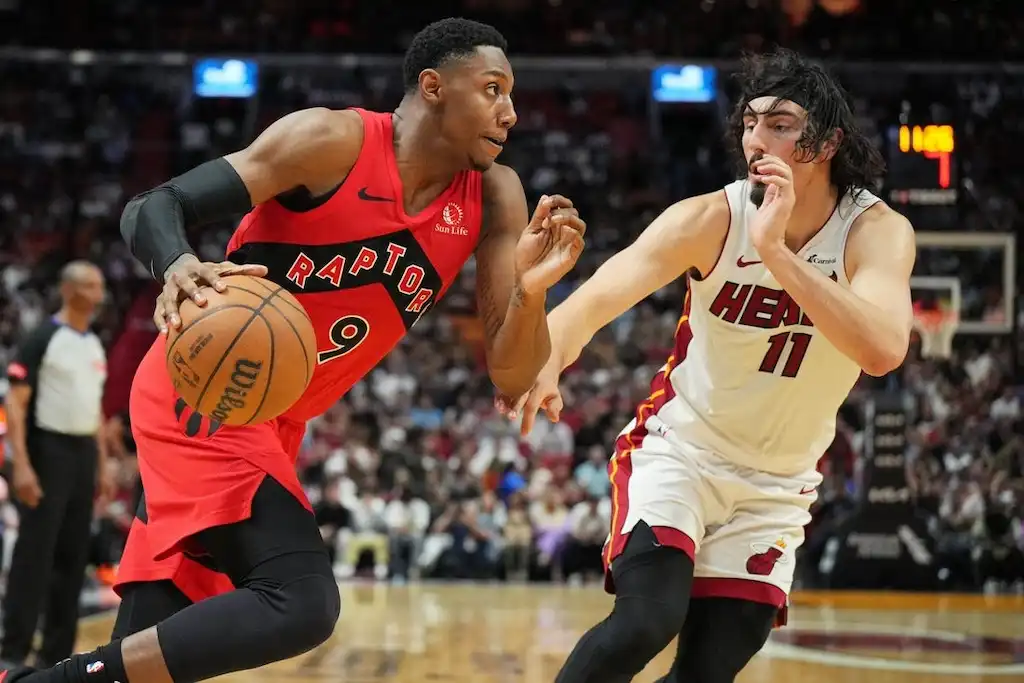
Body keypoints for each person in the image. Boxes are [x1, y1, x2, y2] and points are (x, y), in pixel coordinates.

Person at [1, 17, 586, 683]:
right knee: (302, 599)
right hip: (204, 394)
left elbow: (510, 372)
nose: (511, 112)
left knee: (154, 639)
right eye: (492, 89)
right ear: (433, 87)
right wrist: (179, 264)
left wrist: (532, 291)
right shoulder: (331, 143)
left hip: (275, 421)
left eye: (511, 95)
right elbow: (152, 206)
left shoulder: (493, 194)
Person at [506, 48, 914, 682]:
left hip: (776, 488)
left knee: (707, 671)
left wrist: (777, 254)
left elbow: (885, 351)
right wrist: (544, 360)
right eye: (750, 123)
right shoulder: (708, 219)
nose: (757, 139)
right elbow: (585, 308)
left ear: (828, 141)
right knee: (647, 620)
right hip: (682, 454)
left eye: (780, 123)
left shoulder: (876, 233)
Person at [2, 261, 116, 668]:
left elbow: (96, 411)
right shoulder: (43, 338)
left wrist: (102, 467)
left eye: (100, 284)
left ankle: (57, 654)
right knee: (35, 553)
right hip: (47, 452)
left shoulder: (93, 343)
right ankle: (13, 651)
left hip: (83, 453)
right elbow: (15, 405)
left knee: (73, 554)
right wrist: (22, 465)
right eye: (90, 283)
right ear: (69, 290)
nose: (99, 291)